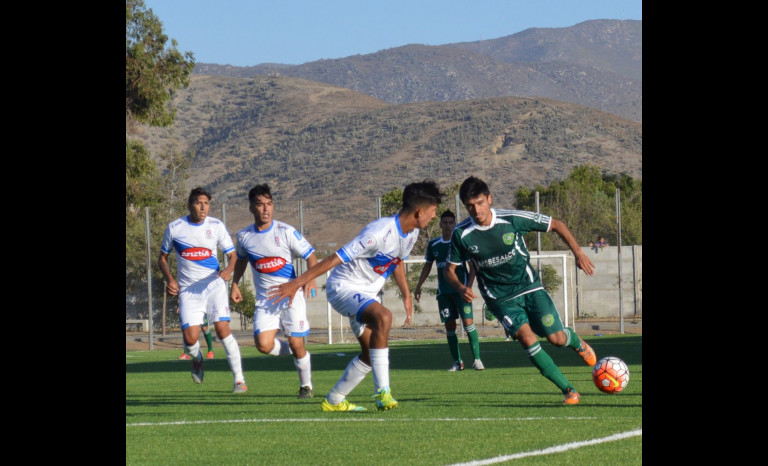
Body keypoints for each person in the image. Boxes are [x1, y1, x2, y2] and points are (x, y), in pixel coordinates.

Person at [268, 180, 443, 412]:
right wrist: (297, 283)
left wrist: (406, 294)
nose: (433, 217)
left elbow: (396, 262)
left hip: (366, 294)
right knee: (384, 317)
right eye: (432, 212)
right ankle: (383, 392)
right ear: (420, 212)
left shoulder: (410, 235)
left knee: (370, 355)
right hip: (343, 288)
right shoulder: (378, 233)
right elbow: (333, 259)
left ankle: (334, 400)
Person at [444, 176, 597, 405]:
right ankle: (569, 390)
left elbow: (556, 224)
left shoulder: (511, 219)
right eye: (470, 206)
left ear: (489, 199)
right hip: (500, 298)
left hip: (530, 287)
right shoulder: (461, 234)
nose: (476, 210)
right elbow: (449, 270)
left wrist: (579, 253)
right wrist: (459, 287)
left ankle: (573, 339)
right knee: (527, 339)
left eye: (480, 203)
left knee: (556, 338)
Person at [230, 184, 318, 399]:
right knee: (263, 344)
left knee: (296, 342)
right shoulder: (244, 236)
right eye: (260, 205)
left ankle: (305, 386)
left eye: (269, 204)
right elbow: (241, 260)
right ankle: (300, 352)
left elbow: (311, 256)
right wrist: (234, 284)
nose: (266, 209)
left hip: (291, 296)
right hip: (266, 300)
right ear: (251, 208)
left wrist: (310, 279)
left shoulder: (286, 231)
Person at [158, 187, 248, 393]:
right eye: (199, 203)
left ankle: (239, 380)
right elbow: (162, 258)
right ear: (189, 205)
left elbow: (233, 255)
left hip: (214, 285)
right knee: (190, 339)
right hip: (189, 291)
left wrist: (227, 270)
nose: (203, 207)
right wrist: (170, 279)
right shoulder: (175, 227)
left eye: (206, 203)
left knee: (223, 331)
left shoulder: (216, 226)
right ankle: (197, 358)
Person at [413, 210, 483, 371]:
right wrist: (418, 286)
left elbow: (472, 267)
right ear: (440, 224)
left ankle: (477, 359)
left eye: (451, 223)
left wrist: (468, 287)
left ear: (455, 224)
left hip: (460, 292)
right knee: (450, 327)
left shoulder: (460, 243)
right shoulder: (434, 244)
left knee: (468, 323)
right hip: (443, 293)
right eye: (445, 222)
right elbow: (427, 265)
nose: (448, 226)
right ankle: (458, 362)